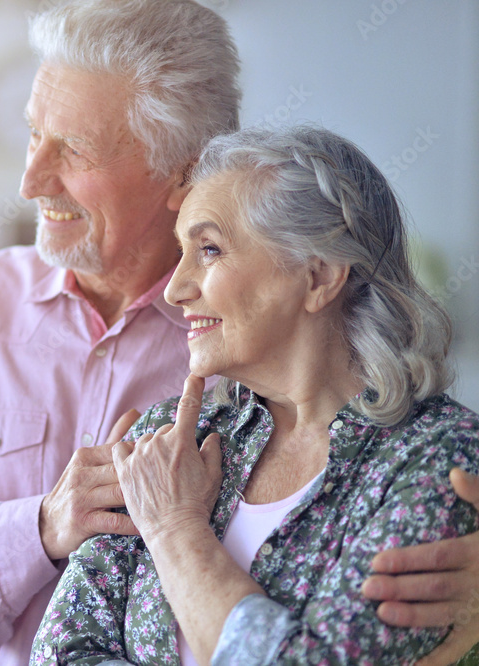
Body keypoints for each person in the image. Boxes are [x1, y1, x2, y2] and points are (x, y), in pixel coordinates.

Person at [0, 1, 479, 664]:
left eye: (73, 149)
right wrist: (42, 526)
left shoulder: (246, 378)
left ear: (183, 174)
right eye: (33, 135)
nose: (30, 180)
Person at [30, 125, 479, 665]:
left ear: (319, 276)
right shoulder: (167, 440)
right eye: (182, 252)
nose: (175, 289)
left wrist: (174, 529)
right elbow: (60, 652)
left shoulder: (438, 458)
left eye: (210, 249)